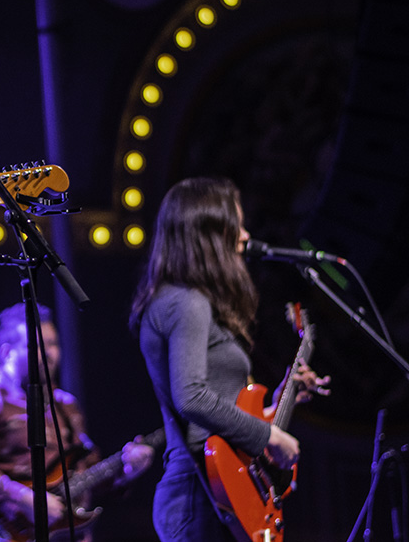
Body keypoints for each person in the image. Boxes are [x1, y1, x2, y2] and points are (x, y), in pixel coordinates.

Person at [129, 177, 329, 541]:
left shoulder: (185, 301)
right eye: (234, 225)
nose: (245, 235)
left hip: (215, 491)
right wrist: (268, 435)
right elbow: (190, 396)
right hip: (198, 493)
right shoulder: (186, 302)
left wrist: (280, 401)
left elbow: (218, 412)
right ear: (207, 233)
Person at [0, 303, 155, 542]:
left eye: (53, 344)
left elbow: (86, 472)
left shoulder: (65, 405)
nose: (49, 353)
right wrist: (23, 498)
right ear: (6, 353)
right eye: (37, 346)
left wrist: (126, 472)